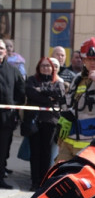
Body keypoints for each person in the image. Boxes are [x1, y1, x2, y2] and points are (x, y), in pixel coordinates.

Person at [24, 57, 66, 190]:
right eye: (43, 66)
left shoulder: (57, 82)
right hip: (34, 121)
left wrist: (41, 91)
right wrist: (48, 97)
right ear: (38, 68)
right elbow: (31, 93)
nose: (45, 68)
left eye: (48, 66)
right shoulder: (32, 80)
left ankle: (43, 182)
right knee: (35, 153)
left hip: (50, 122)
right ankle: (34, 181)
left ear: (52, 68)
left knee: (46, 152)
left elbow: (59, 94)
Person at [0, 38, 25, 188]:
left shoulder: (13, 71)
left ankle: (0, 177)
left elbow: (21, 93)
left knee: (3, 151)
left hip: (6, 120)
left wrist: (13, 106)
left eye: (1, 49)